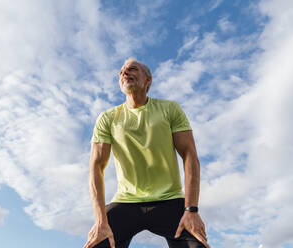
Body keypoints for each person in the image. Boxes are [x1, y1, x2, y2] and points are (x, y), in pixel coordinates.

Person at [84, 58, 210, 248]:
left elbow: (190, 155)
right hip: (126, 201)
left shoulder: (170, 109)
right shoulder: (108, 118)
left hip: (170, 199)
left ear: (148, 79)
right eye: (121, 72)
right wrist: (101, 221)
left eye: (132, 69)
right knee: (98, 244)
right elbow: (96, 167)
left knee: (198, 246)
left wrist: (191, 210)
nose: (124, 73)